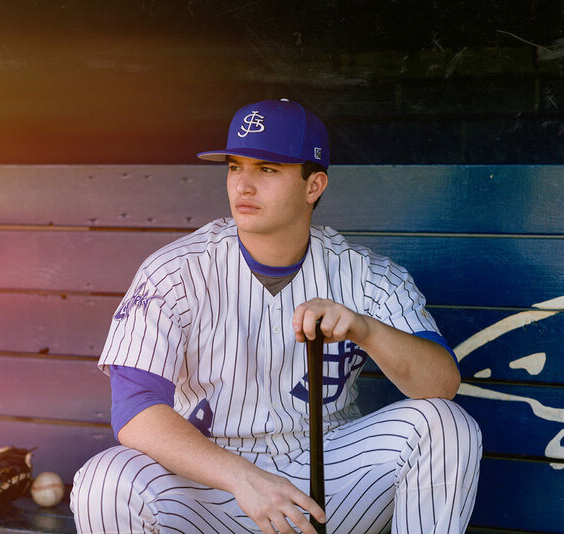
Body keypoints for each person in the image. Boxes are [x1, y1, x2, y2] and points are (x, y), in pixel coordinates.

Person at [70, 99, 482, 534]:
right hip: (212, 481)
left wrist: (365, 329)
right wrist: (241, 477)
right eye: (235, 166)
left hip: (327, 478)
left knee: (445, 425)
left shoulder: (365, 277)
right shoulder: (176, 270)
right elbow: (135, 409)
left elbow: (440, 385)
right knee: (105, 480)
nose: (243, 186)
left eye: (267, 169)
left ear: (313, 186)